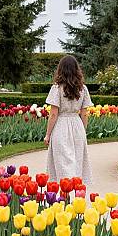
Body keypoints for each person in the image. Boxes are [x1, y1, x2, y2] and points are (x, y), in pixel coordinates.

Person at [44, 55, 92, 183]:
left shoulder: (57, 88)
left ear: (61, 69)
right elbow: (85, 113)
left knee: (62, 164)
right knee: (77, 163)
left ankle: (64, 195)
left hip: (61, 126)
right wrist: (83, 130)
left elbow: (53, 114)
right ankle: (76, 195)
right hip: (77, 126)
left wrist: (48, 134)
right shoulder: (83, 88)